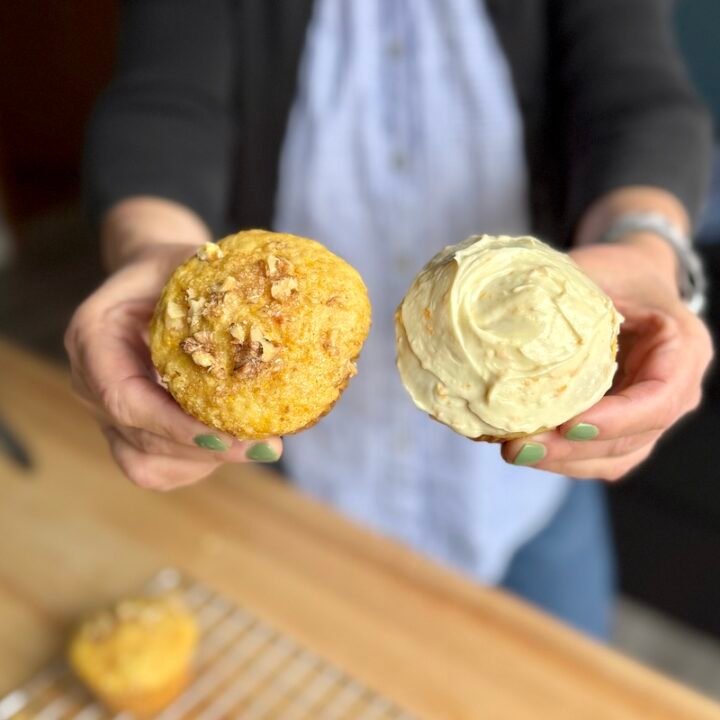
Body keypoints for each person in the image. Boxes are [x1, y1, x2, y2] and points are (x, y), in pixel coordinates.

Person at [65, 0, 714, 640]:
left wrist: (643, 244)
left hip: (530, 475)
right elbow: (167, 104)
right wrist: (152, 249)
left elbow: (634, 96)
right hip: (303, 472)